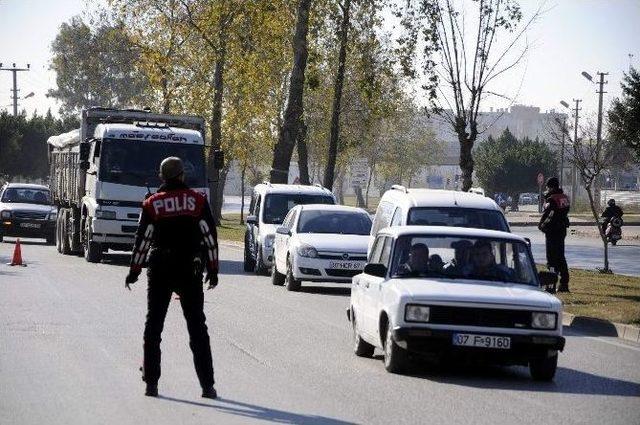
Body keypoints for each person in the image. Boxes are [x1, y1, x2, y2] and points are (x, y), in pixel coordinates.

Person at [125, 157, 219, 399]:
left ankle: (151, 384)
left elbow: (143, 240)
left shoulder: (152, 204)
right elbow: (209, 236)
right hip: (190, 268)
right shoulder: (198, 201)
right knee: (197, 328)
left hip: (160, 268)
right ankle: (207, 386)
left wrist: (134, 271)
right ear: (182, 176)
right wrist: (213, 268)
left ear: (162, 177)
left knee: (153, 326)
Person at [538, 176, 570, 292]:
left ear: (551, 187)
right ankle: (564, 283)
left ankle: (550, 285)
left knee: (551, 259)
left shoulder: (552, 199)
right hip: (562, 230)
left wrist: (542, 225)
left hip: (552, 231)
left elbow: (549, 216)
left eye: (548, 187)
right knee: (561, 257)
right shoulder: (564, 198)